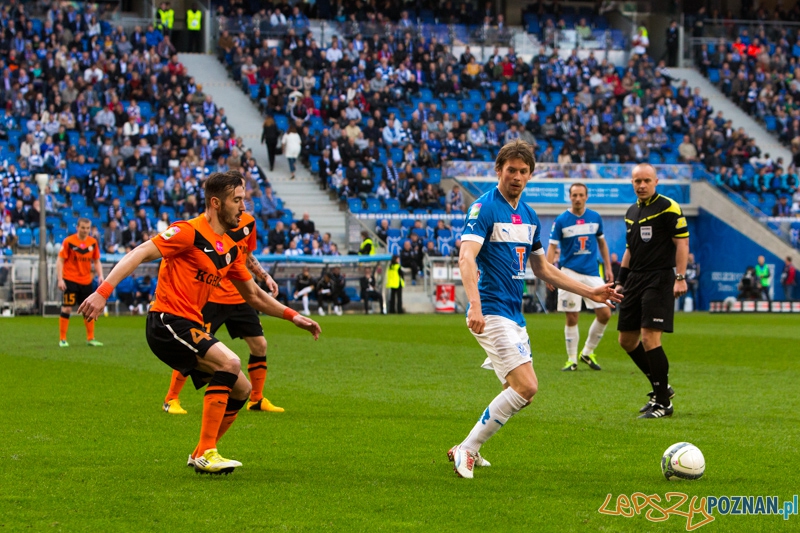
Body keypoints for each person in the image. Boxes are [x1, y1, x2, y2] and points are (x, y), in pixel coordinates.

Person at [77, 171, 321, 474]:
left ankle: (201, 453)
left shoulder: (228, 249)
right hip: (166, 320)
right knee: (230, 363)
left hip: (189, 324)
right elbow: (139, 253)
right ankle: (206, 450)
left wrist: (294, 316)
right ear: (216, 203)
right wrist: (102, 292)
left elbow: (254, 296)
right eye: (237, 200)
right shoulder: (187, 231)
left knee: (241, 389)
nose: (243, 207)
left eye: (244, 199)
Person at [449, 140, 621, 479]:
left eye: (523, 171)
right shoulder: (484, 208)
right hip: (491, 311)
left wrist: (592, 291)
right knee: (527, 386)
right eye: (510, 170)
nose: (516, 176)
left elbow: (543, 269)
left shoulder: (528, 216)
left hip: (515, 315)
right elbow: (466, 257)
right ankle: (467, 449)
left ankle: (467, 447)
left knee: (518, 393)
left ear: (530, 175)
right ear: (498, 170)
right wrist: (475, 306)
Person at [162, 179, 285, 415]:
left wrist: (264, 275)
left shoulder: (248, 223)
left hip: (240, 297)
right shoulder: (210, 224)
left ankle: (256, 398)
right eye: (237, 196)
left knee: (259, 344)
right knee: (195, 349)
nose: (242, 201)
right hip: (213, 295)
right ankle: (171, 398)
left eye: (243, 194)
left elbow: (246, 255)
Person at [616, 163, 689, 420]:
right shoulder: (631, 211)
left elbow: (682, 243)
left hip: (659, 278)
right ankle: (662, 388)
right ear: (632, 183)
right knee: (626, 340)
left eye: (647, 180)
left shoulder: (669, 207)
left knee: (649, 338)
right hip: (635, 279)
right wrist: (620, 281)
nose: (642, 185)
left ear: (656, 181)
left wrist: (680, 277)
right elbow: (630, 249)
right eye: (637, 181)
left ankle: (663, 404)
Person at [546, 183, 613, 372]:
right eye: (574, 195)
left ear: (586, 196)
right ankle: (571, 360)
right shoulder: (561, 220)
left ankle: (588, 352)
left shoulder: (595, 217)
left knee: (605, 313)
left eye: (581, 195)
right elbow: (552, 246)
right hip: (569, 273)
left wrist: (608, 267)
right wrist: (548, 273)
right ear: (570, 197)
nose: (577, 198)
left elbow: (602, 243)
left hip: (592, 272)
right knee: (572, 316)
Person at [57, 218, 104, 347]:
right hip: (70, 280)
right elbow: (60, 260)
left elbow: (96, 261)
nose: (85, 230)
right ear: (77, 227)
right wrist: (60, 279)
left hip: (86, 281)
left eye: (87, 228)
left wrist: (100, 275)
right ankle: (62, 339)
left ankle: (90, 338)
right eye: (83, 227)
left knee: (88, 310)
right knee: (67, 308)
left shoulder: (93, 242)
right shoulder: (69, 241)